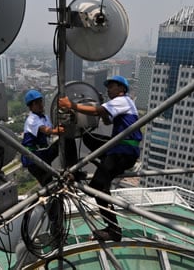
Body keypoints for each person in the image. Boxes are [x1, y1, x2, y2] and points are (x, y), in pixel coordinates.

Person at [58, 75, 141, 242]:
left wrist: (72, 105)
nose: (108, 89)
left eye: (112, 86)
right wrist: (101, 112)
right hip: (119, 148)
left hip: (122, 151)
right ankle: (77, 170)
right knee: (89, 138)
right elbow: (107, 120)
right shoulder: (123, 103)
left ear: (121, 89)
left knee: (97, 187)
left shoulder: (123, 100)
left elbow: (98, 111)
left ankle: (113, 229)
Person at [21, 89, 77, 186]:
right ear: (31, 106)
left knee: (68, 140)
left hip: (43, 153)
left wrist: (67, 116)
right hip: (34, 158)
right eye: (36, 103)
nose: (40, 105)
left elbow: (53, 129)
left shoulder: (44, 117)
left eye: (40, 102)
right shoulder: (31, 120)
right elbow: (46, 130)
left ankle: (73, 169)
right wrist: (56, 131)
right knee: (49, 186)